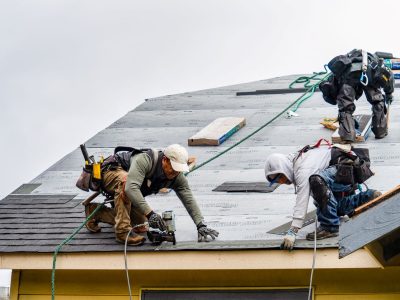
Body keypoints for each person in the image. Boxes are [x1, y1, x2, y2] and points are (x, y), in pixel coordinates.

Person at [85, 144, 219, 246]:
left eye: (178, 170)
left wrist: (200, 224)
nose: (175, 173)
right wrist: (151, 214)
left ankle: (95, 213)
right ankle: (122, 232)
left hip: (126, 193)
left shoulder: (176, 176)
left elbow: (188, 197)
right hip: (110, 173)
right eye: (173, 168)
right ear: (165, 160)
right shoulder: (145, 160)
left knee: (141, 225)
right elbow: (131, 188)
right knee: (126, 182)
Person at [264, 140, 381, 250]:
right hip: (344, 171)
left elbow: (302, 199)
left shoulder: (302, 168)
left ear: (283, 169)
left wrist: (293, 230)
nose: (280, 182)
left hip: (344, 168)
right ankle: (369, 196)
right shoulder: (295, 161)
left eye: (278, 178)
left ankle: (329, 227)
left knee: (316, 181)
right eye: (275, 182)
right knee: (336, 208)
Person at [319, 49, 395, 143]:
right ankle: (380, 131)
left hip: (349, 78)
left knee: (345, 108)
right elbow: (389, 77)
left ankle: (348, 135)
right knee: (377, 102)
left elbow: (335, 88)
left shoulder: (344, 62)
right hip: (368, 75)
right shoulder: (374, 61)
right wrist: (389, 94)